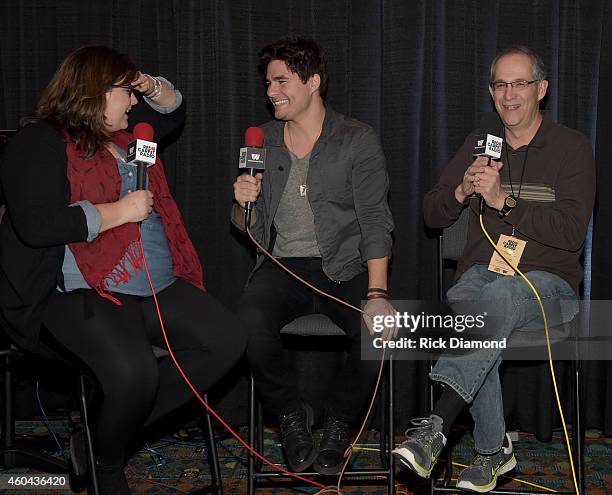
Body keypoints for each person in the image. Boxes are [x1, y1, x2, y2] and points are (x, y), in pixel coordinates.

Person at [0, 46, 246, 494]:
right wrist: (118, 212)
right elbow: (37, 225)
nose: (133, 103)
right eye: (124, 92)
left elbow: (173, 111)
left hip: (150, 283)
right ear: (94, 91)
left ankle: (101, 431)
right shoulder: (38, 141)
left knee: (227, 340)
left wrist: (146, 83)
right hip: (78, 292)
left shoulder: (131, 141)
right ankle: (107, 464)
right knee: (135, 375)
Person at [392, 46, 595, 492]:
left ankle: (437, 426)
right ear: (490, 91)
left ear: (541, 89)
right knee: (477, 306)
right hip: (480, 279)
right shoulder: (479, 144)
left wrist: (506, 201)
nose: (509, 94)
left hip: (550, 288)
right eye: (501, 84)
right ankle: (493, 453)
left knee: (489, 307)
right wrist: (462, 191)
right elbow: (431, 214)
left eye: (519, 83)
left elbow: (571, 233)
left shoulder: (572, 147)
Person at [231, 37, 395, 475]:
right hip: (283, 267)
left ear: (314, 82)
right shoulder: (261, 140)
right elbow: (245, 228)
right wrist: (242, 201)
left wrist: (377, 293)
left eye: (281, 81)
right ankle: (290, 417)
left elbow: (376, 221)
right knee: (247, 321)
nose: (271, 91)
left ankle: (340, 422)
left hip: (342, 266)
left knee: (378, 332)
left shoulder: (356, 139)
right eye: (268, 82)